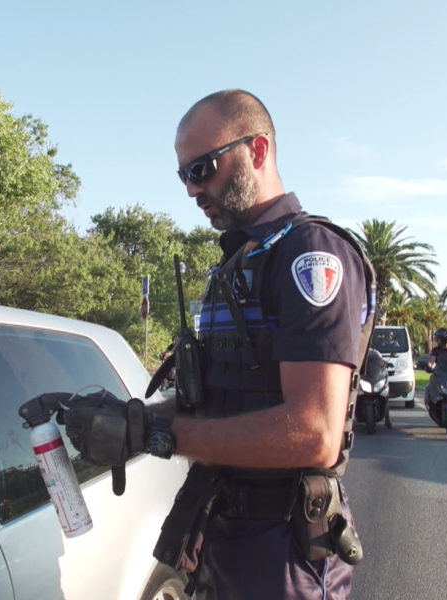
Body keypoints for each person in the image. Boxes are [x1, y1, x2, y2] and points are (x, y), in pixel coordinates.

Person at [61, 90, 375, 600]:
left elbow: (314, 434)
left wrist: (163, 437)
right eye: (183, 174)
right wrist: (134, 418)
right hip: (219, 532)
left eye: (202, 168)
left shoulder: (309, 255)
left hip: (282, 552)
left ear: (256, 151)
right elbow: (214, 402)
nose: (191, 190)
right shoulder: (235, 265)